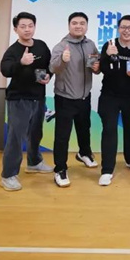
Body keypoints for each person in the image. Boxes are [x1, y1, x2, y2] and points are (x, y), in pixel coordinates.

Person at [0, 12, 53, 191]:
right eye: (23, 26)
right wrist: (21, 62)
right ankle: (8, 175)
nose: (27, 29)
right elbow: (5, 69)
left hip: (38, 97)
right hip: (19, 99)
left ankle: (34, 162)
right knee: (16, 137)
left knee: (35, 133)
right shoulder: (13, 50)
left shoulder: (41, 46)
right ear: (16, 29)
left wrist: (48, 76)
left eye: (30, 26)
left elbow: (49, 65)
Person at [49, 12, 100, 187]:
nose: (78, 26)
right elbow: (53, 68)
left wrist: (97, 67)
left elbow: (95, 68)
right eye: (75, 23)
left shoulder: (90, 44)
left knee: (84, 128)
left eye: (82, 23)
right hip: (65, 98)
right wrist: (63, 60)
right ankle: (60, 169)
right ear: (69, 25)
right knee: (62, 136)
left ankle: (84, 153)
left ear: (87, 26)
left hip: (85, 96)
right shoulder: (61, 46)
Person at [97, 15, 130, 186]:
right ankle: (107, 169)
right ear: (118, 29)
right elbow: (103, 69)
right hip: (110, 96)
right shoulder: (110, 45)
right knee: (109, 130)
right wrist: (109, 56)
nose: (127, 30)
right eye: (123, 27)